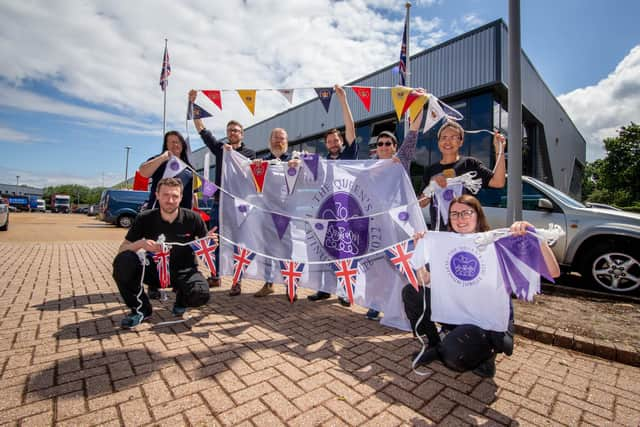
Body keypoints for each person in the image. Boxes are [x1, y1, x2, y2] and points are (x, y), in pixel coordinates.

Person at [403, 194, 560, 377]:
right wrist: (420, 251)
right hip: (458, 314)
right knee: (411, 292)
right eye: (454, 214)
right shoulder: (445, 245)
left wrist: (534, 235)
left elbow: (553, 271)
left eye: (466, 212)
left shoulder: (498, 244)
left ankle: (486, 357)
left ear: (478, 214)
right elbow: (425, 281)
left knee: (455, 354)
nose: (460, 218)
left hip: (488, 324)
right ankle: (434, 344)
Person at [112, 178, 217, 329]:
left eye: (175, 196)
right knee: (123, 261)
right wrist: (141, 244)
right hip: (154, 271)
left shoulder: (193, 218)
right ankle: (141, 310)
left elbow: (206, 246)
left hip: (184, 271)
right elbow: (123, 249)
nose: (170, 200)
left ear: (181, 197)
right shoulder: (144, 218)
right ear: (157, 195)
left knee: (201, 294)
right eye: (166, 195)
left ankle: (182, 301)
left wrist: (212, 243)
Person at [362, 103, 425, 320]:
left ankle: (405, 306)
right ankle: (376, 304)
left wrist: (420, 102)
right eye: (380, 143)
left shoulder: (401, 162)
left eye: (388, 143)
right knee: (378, 268)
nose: (384, 146)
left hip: (400, 225)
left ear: (395, 145)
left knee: (402, 265)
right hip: (377, 226)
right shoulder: (369, 169)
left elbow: (414, 132)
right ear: (376, 148)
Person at [189, 90, 256, 292]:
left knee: (238, 244)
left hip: (239, 205)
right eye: (230, 130)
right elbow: (202, 129)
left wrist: (235, 155)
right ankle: (215, 275)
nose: (232, 132)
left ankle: (237, 281)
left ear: (242, 134)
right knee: (214, 239)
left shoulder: (250, 153)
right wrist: (193, 104)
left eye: (236, 130)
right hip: (219, 202)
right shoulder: (220, 148)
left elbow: (253, 177)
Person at [308, 84, 359, 306]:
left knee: (346, 251)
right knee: (325, 251)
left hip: (347, 209)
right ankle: (324, 289)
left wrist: (342, 99)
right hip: (326, 211)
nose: (333, 143)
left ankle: (346, 292)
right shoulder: (322, 161)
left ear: (341, 142)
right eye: (329, 141)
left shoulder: (349, 154)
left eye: (336, 140)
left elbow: (350, 128)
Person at [419, 120, 506, 230]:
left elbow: (498, 182)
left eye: (453, 137)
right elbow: (422, 203)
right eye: (444, 137)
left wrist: (500, 150)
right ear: (438, 142)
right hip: (440, 233)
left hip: (467, 230)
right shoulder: (430, 170)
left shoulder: (470, 164)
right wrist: (431, 185)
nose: (448, 141)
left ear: (461, 142)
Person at [239, 127, 292, 298]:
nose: (278, 141)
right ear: (270, 141)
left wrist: (301, 166)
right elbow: (250, 184)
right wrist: (254, 169)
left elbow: (310, 179)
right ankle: (268, 283)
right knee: (268, 250)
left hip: (286, 214)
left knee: (287, 252)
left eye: (281, 138)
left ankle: (290, 285)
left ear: (286, 141)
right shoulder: (262, 162)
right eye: (275, 138)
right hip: (267, 213)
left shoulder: (294, 160)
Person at [139, 131, 195, 210]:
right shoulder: (159, 160)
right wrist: (163, 157)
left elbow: (193, 194)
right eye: (172, 142)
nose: (175, 145)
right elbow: (143, 172)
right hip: (158, 213)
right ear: (166, 145)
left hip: (183, 216)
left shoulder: (189, 168)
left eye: (178, 142)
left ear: (183, 145)